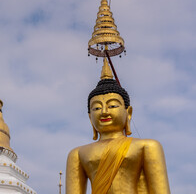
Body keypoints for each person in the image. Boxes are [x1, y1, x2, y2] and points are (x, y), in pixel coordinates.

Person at [66, 58, 170, 194]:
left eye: (112, 105)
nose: (104, 112)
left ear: (129, 113)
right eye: (96, 108)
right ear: (89, 116)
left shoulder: (146, 147)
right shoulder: (78, 154)